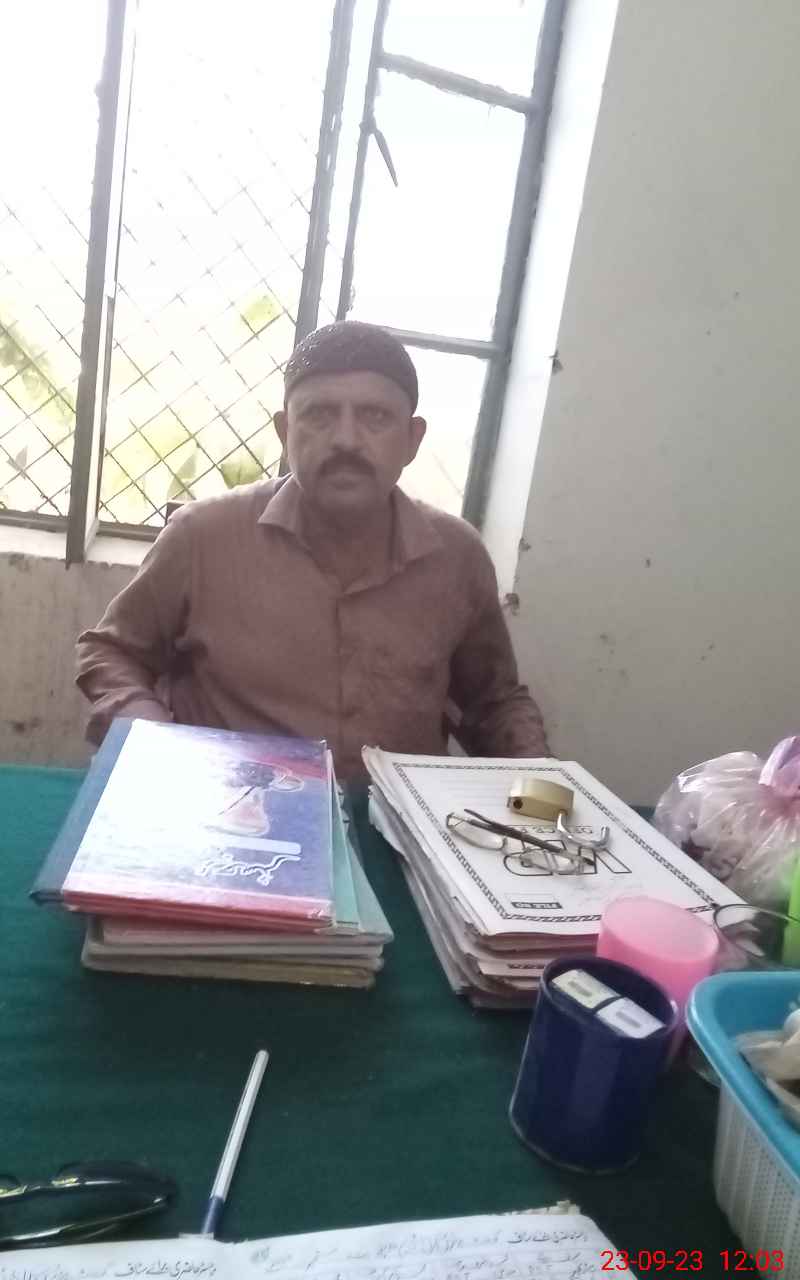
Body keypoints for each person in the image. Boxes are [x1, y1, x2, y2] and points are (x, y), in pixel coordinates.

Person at [76, 321, 548, 782]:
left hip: (394, 820)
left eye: (375, 417)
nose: (346, 440)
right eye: (319, 415)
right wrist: (154, 737)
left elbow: (493, 704)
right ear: (286, 431)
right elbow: (111, 652)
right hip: (234, 809)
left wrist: (541, 787)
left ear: (412, 439)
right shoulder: (202, 537)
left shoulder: (457, 557)